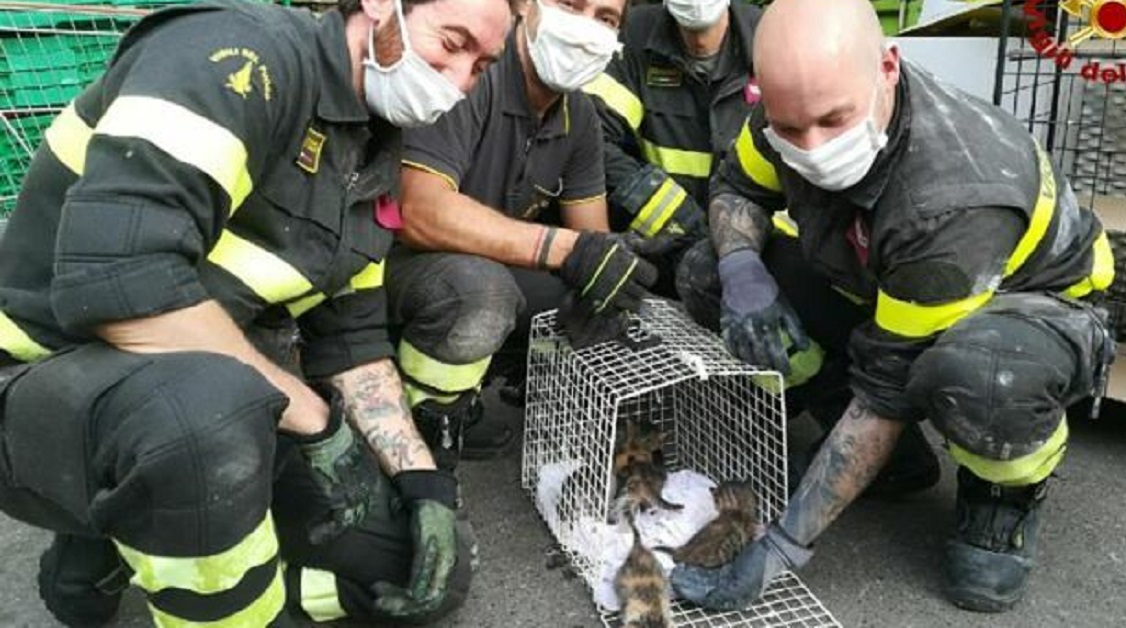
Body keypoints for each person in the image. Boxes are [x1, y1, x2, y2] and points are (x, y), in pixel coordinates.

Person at [0, 0, 512, 624]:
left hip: (216, 388)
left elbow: (353, 339)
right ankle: (109, 537)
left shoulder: (373, 154)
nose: (458, 84)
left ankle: (176, 549)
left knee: (436, 569)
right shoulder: (237, 55)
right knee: (201, 419)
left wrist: (421, 482)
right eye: (451, 43)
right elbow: (119, 281)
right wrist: (318, 423)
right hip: (41, 380)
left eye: (481, 67)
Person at [672, 0, 1115, 614]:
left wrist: (781, 549)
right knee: (708, 272)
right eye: (791, 128)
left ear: (887, 66)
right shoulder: (789, 107)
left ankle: (1001, 495)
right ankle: (884, 456)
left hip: (1031, 308)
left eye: (833, 119)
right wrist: (743, 270)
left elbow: (888, 389)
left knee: (979, 376)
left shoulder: (951, 194)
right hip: (890, 281)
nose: (813, 146)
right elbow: (738, 187)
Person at [382, 0, 654, 463]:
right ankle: (423, 420)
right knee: (484, 292)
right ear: (525, 5)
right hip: (394, 264)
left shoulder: (580, 117)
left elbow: (591, 235)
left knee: (593, 293)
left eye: (605, 18)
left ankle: (526, 390)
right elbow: (418, 212)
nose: (584, 29)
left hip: (485, 266)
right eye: (570, 5)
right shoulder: (476, 70)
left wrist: (616, 262)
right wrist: (566, 249)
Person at [584, 0, 760, 257]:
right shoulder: (631, 36)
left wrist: (740, 240)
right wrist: (679, 220)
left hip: (767, 247)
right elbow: (592, 141)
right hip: (664, 246)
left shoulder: (772, 40)